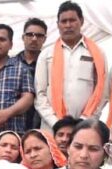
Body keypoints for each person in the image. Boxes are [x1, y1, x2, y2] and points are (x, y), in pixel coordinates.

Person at [35, 1, 108, 130]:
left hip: (85, 127)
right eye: (64, 21)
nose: (68, 25)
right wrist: (56, 123)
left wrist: (85, 121)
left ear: (81, 21)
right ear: (58, 24)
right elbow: (40, 94)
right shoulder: (46, 54)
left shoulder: (97, 53)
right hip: (52, 127)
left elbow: (102, 92)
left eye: (72, 20)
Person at [17, 18, 48, 129]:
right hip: (15, 120)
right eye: (30, 34)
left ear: (44, 39)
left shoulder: (50, 65)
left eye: (39, 35)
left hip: (42, 121)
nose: (34, 39)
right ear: (23, 37)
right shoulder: (11, 65)